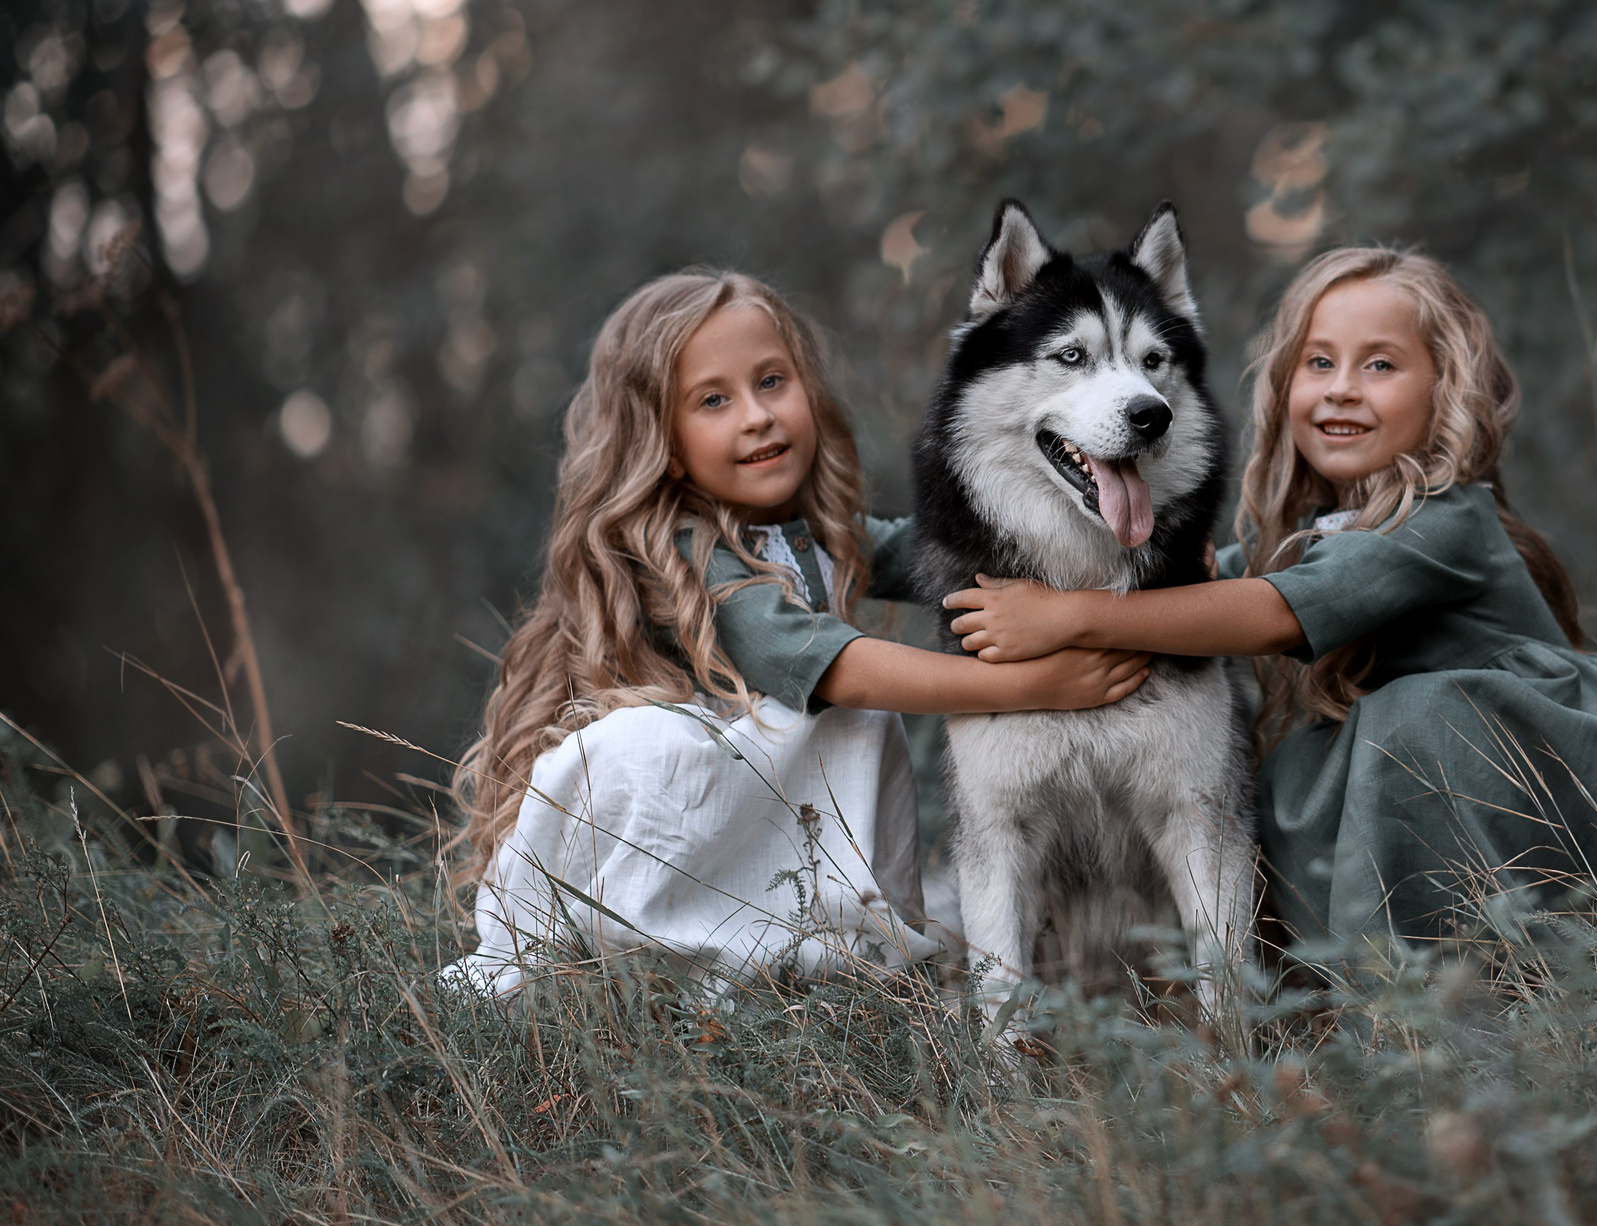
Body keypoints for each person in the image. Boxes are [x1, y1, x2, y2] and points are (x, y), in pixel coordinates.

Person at [944, 247, 1597, 954]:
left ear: (1448, 387)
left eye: (1380, 364)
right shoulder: (1312, 536)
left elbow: (1269, 612)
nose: (1343, 386)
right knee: (1300, 765)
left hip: (1536, 788)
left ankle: (1470, 1000)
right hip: (1434, 789)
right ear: (1286, 386)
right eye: (1319, 362)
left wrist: (1070, 615)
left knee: (1403, 720)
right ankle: (1370, 988)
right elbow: (1223, 590)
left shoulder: (1446, 519)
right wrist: (857, 540)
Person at [445, 271, 1149, 998]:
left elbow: (951, 552)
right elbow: (836, 666)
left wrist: (1123, 550)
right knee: (845, 714)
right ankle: (675, 958)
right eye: (714, 399)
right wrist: (1027, 684)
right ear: (667, 441)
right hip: (694, 824)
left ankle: (814, 951)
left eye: (772, 381)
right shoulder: (683, 550)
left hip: (760, 823)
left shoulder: (811, 538)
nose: (756, 416)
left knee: (855, 723)